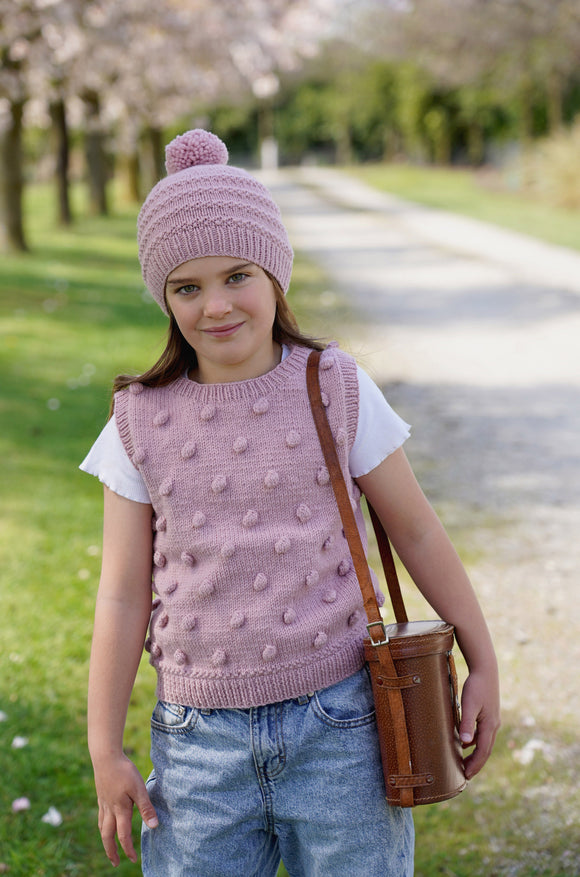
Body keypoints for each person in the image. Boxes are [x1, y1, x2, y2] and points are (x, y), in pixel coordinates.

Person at [81, 129, 500, 876]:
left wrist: (484, 659)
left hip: (343, 729)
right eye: (187, 286)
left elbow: (418, 531)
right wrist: (103, 746)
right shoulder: (138, 418)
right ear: (163, 296)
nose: (216, 305)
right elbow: (120, 593)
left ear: (274, 272)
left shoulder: (334, 385)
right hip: (197, 744)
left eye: (237, 274)